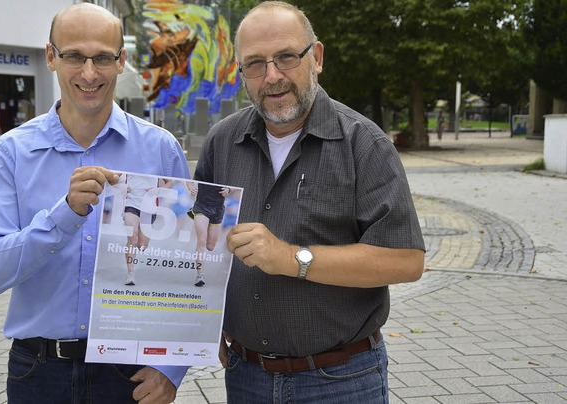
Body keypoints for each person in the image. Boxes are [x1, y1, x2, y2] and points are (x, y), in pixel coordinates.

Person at [193, 2, 426, 402]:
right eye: (255, 64)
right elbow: (198, 242)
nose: (272, 76)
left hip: (341, 381)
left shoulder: (363, 144)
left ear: (315, 58)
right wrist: (200, 323)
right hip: (246, 377)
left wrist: (290, 258)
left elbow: (406, 260)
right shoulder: (221, 142)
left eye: (286, 57)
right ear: (241, 74)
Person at [0, 4, 190, 403]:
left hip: (131, 373)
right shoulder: (11, 153)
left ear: (121, 61)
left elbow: (186, 271)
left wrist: (170, 369)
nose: (89, 74)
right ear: (51, 57)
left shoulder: (161, 150)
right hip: (39, 372)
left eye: (103, 58)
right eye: (74, 56)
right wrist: (63, 216)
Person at [122, 174, 173, 286]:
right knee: (132, 238)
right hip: (131, 203)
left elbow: (170, 182)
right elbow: (113, 176)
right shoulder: (129, 162)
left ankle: (134, 244)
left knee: (142, 245)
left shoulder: (158, 165)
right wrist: (121, 185)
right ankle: (130, 273)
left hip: (149, 207)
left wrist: (158, 191)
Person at [186, 182, 231, 287]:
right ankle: (200, 275)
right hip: (201, 206)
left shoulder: (224, 171)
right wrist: (191, 187)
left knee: (210, 246)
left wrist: (228, 189)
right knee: (201, 240)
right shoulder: (204, 169)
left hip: (218, 209)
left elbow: (236, 186)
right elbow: (188, 179)